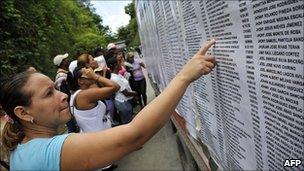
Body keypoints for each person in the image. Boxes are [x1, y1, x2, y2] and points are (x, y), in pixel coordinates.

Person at [0, 40, 216, 170]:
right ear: (23, 113)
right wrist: (184, 76)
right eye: (48, 94)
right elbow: (136, 133)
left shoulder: (23, 150)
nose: (62, 96)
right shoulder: (48, 151)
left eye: (55, 89)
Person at [108, 57, 137, 124]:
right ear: (115, 65)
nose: (121, 64)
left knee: (127, 120)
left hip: (124, 101)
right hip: (123, 102)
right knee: (127, 122)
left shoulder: (117, 75)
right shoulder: (115, 78)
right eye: (119, 63)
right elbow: (126, 93)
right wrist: (135, 93)